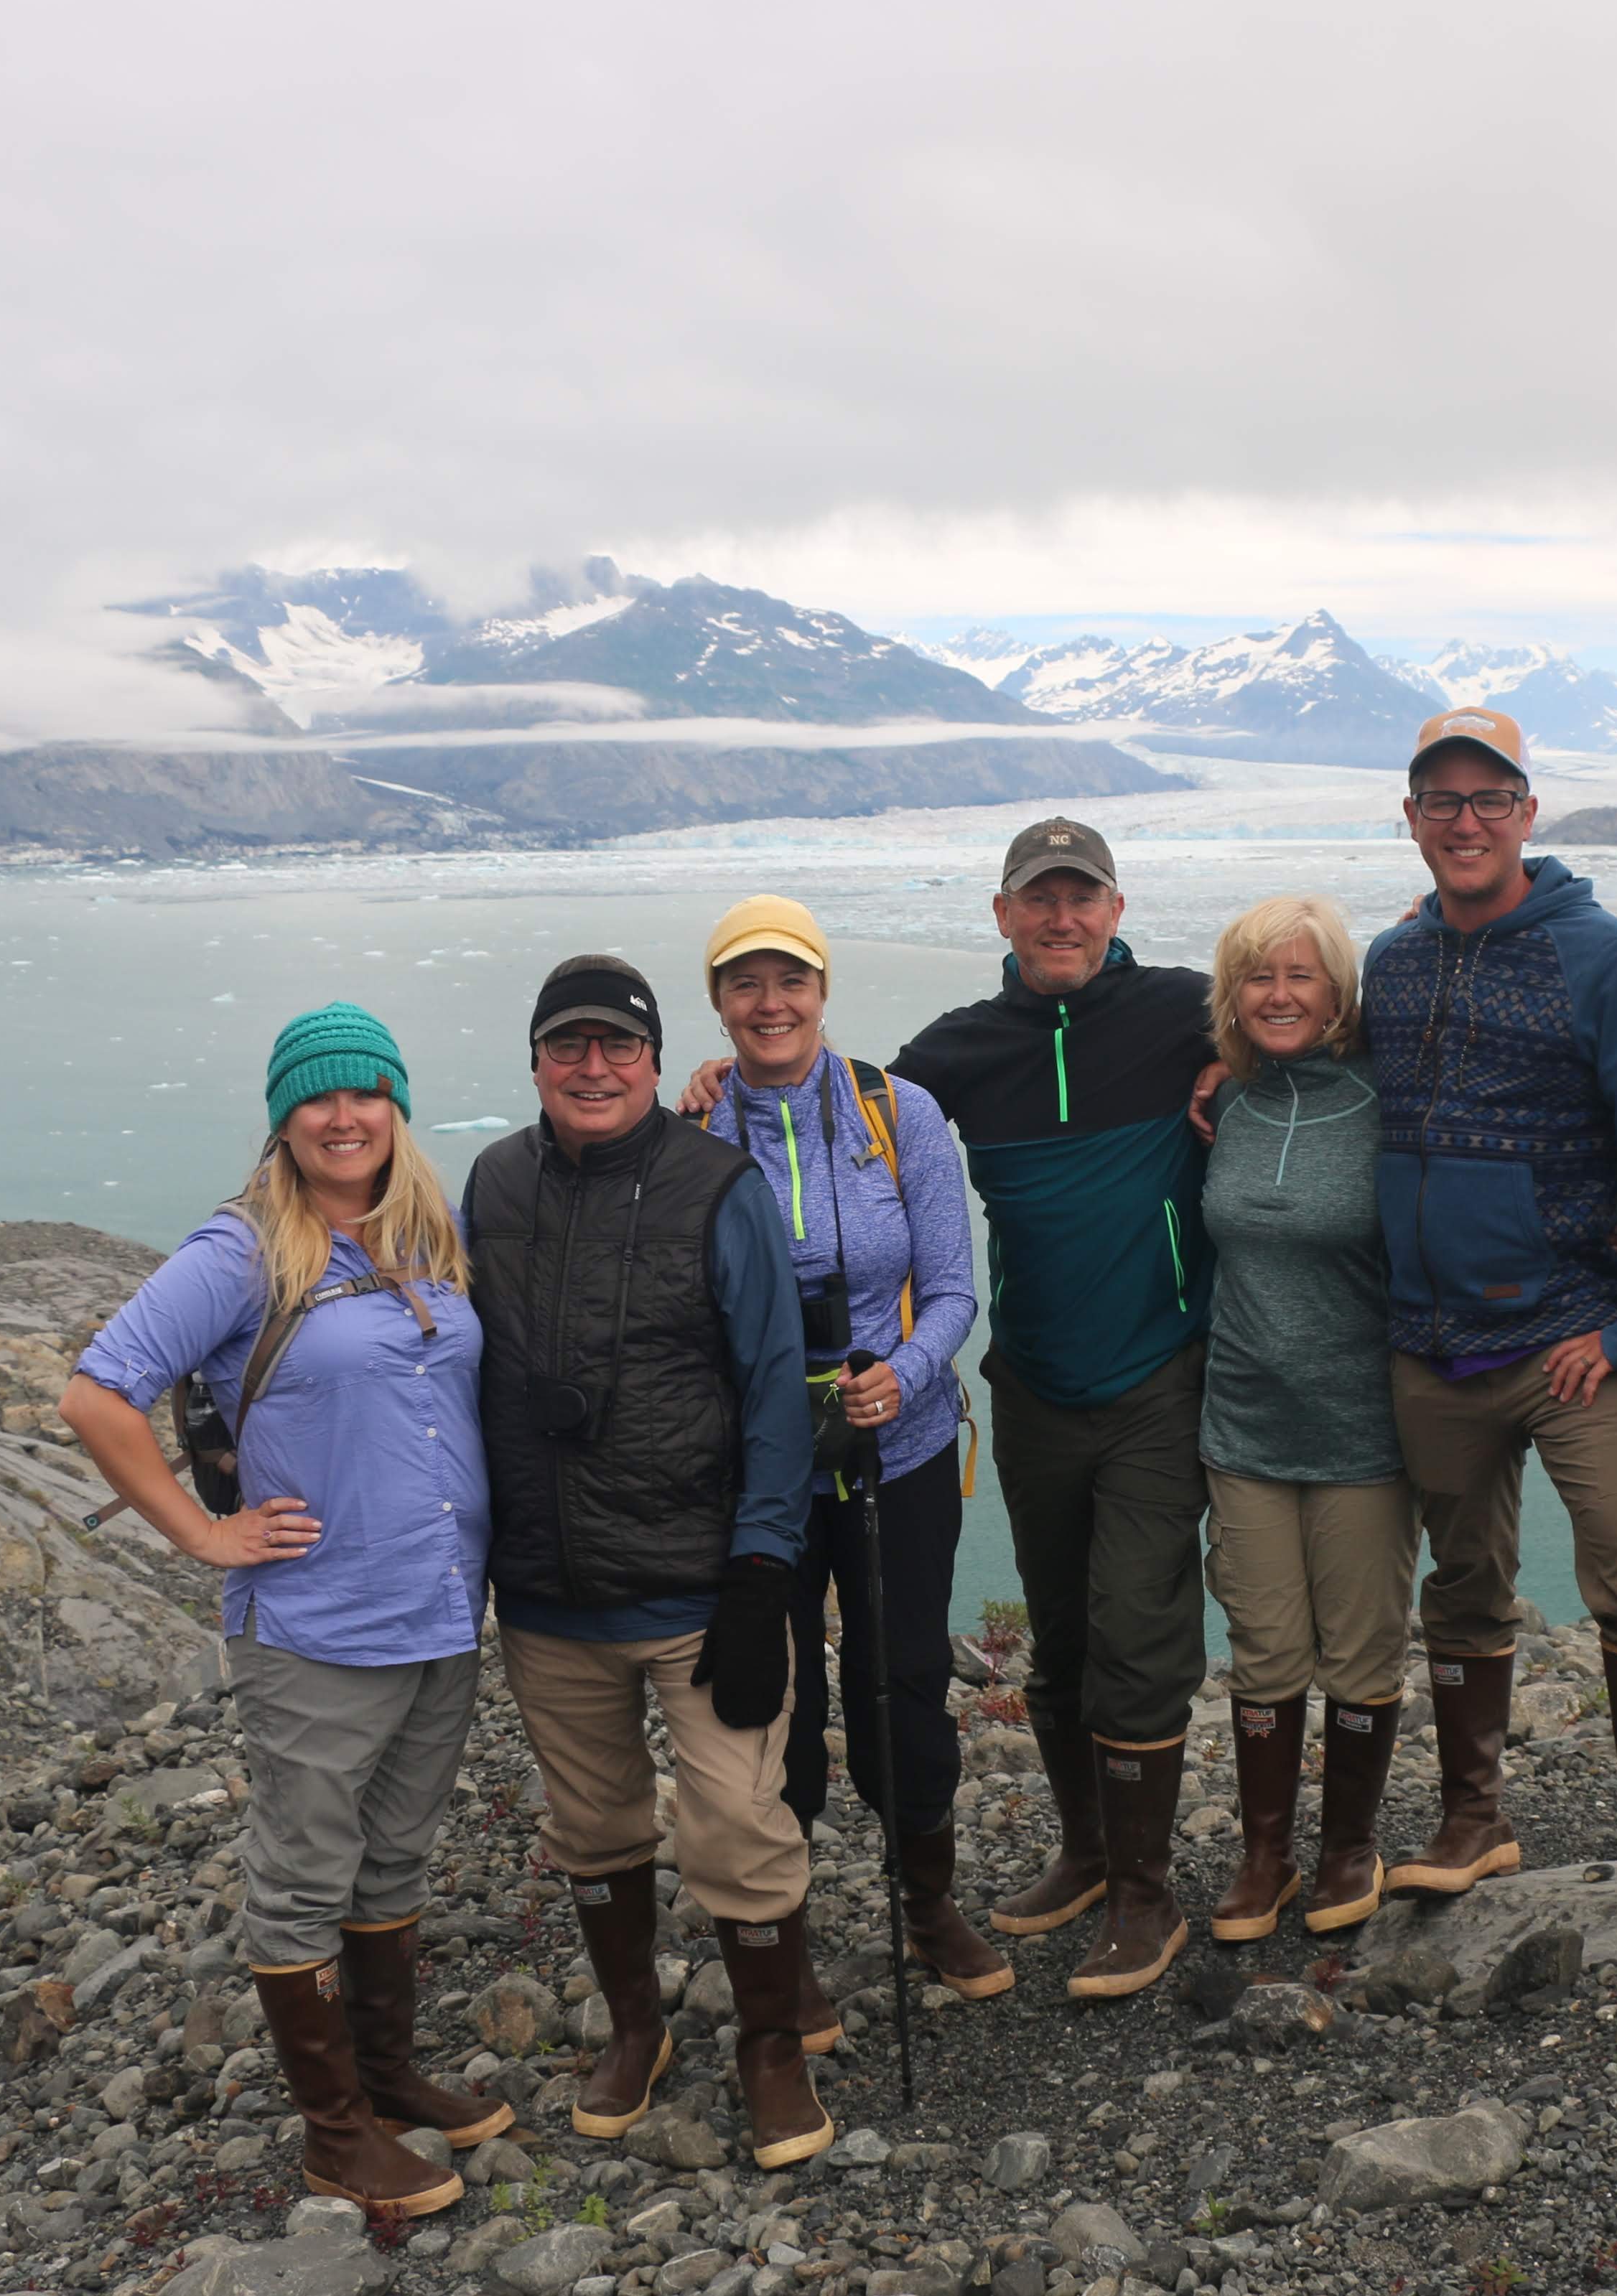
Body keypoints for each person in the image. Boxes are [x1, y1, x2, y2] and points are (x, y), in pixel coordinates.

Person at [691, 819, 1217, 1999]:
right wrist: (716, 1084)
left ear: (1116, 909)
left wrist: (1241, 1062)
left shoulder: (1189, 1009)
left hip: (1116, 1379)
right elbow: (828, 1100)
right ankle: (1084, 1853)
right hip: (1025, 1387)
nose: (1061, 919)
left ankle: (1137, 1888)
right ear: (1002, 914)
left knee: (1112, 1633)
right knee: (1060, 1633)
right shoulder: (940, 1062)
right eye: (1039, 900)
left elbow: (1305, 1021)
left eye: (1081, 898)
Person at [61, 1002, 502, 2222]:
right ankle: (334, 2133)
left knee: (395, 1853)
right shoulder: (242, 1248)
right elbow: (98, 1392)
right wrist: (202, 1533)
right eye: (318, 1096)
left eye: (366, 1093)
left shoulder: (429, 1230)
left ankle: (387, 2070)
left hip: (436, 1612)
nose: (345, 1115)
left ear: (396, 1108)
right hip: (315, 1622)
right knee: (306, 1872)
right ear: (284, 1116)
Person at [1364, 708, 1617, 1922]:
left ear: (1528, 813)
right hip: (1430, 1341)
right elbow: (1329, 1078)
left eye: (1490, 800)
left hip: (1573, 1333)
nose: (1464, 822)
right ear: (1412, 818)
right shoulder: (1392, 959)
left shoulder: (1601, 956)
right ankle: (1473, 1816)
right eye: (1442, 802)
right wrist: (1221, 1075)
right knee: (1462, 1578)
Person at [461, 954, 832, 2170]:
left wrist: (761, 1571)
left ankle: (771, 2049)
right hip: (551, 1589)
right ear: (535, 1061)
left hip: (696, 1583)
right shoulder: (495, 1182)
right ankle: (636, 2027)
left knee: (736, 1820)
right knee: (593, 1822)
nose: (593, 1066)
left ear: (655, 1061)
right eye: (567, 1044)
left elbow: (778, 1386)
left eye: (618, 1045)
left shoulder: (718, 1188)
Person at [695, 894, 1011, 2001]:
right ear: (719, 1004)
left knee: (905, 1679)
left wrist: (902, 1375)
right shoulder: (693, 1131)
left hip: (899, 1446)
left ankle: (926, 1898)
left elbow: (956, 1284)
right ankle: (782, 1922)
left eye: (790, 980)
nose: (769, 1002)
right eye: (745, 982)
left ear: (823, 992)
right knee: (774, 1693)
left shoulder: (897, 1112)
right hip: (759, 1469)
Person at [1196, 894, 1413, 1942]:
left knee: (1362, 1650)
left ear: (1338, 990)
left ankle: (1347, 1846)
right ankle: (1265, 1853)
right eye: (1257, 976)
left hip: (1362, 1426)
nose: (1279, 995)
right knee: (1265, 1648)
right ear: (1231, 995)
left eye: (1301, 975)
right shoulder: (1222, 1098)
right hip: (1241, 1424)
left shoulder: (1384, 1096)